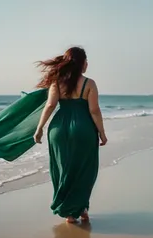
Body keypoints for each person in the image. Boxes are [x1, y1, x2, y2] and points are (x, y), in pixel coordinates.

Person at [33, 47, 107, 223]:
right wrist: (102, 133)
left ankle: (68, 212)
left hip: (58, 129)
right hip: (83, 128)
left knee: (62, 168)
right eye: (86, 61)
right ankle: (81, 209)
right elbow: (94, 110)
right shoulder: (89, 83)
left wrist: (40, 128)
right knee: (84, 170)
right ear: (82, 63)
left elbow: (50, 106)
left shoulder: (56, 83)